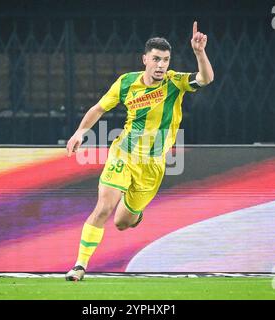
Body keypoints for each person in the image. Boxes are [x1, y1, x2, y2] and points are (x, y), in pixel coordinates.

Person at [65, 21, 214, 281]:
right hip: (123, 153)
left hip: (152, 165)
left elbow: (205, 79)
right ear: (145, 59)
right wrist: (80, 132)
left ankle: (136, 213)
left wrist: (199, 53)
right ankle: (79, 265)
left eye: (165, 60)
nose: (160, 65)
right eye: (156, 59)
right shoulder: (126, 83)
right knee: (103, 208)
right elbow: (99, 108)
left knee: (123, 223)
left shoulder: (175, 82)